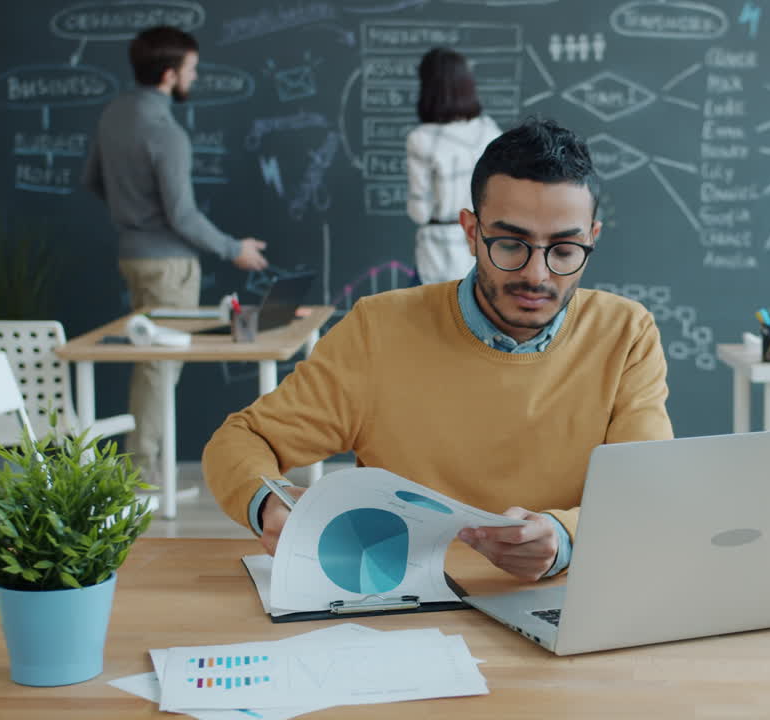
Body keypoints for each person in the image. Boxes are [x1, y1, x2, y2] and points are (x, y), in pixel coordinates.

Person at [203, 117, 673, 580]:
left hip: (569, 603)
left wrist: (565, 535)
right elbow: (240, 440)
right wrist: (272, 502)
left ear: (592, 238)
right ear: (470, 232)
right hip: (399, 601)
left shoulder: (626, 333)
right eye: (511, 244)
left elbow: (645, 489)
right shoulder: (378, 330)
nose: (537, 274)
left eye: (565, 250)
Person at [83, 26, 268, 484]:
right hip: (167, 265)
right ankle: (140, 478)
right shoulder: (166, 132)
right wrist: (235, 250)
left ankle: (143, 473)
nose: (195, 77)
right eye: (191, 70)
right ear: (169, 73)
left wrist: (134, 218)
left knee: (151, 364)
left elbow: (91, 180)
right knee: (158, 368)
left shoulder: (114, 114)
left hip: (132, 255)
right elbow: (183, 217)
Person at [405, 47, 502, 285]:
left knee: (420, 317)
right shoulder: (490, 131)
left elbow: (420, 212)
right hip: (486, 247)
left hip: (440, 253)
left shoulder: (422, 139)